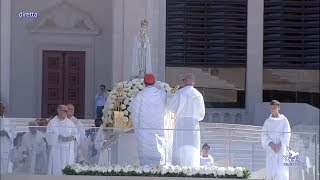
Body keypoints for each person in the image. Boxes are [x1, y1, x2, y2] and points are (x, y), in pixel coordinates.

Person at [128, 74, 172, 166]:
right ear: (154, 82)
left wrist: (138, 126)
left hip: (144, 131)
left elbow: (134, 112)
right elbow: (169, 105)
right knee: (158, 152)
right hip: (158, 128)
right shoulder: (162, 93)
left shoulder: (140, 95)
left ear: (144, 83)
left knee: (145, 156)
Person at [167, 73, 205, 167]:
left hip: (181, 122)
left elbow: (170, 106)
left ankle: (179, 166)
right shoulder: (198, 95)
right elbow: (201, 114)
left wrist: (168, 95)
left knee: (180, 143)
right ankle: (193, 166)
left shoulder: (180, 93)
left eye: (184, 80)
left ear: (186, 81)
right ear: (194, 82)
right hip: (193, 124)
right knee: (193, 145)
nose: (183, 82)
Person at [261, 100, 291, 180]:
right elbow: (264, 134)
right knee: (271, 170)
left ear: (278, 108)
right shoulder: (267, 121)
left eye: (274, 108)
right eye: (271, 108)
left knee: (281, 170)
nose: (272, 109)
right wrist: (271, 144)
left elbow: (287, 133)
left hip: (281, 149)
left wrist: (279, 145)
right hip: (271, 150)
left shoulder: (284, 120)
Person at [46, 105, 79, 175]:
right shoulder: (52, 122)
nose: (67, 113)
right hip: (57, 149)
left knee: (67, 168)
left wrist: (72, 137)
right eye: (66, 111)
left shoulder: (70, 122)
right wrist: (59, 137)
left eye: (68, 111)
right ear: (59, 111)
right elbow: (48, 135)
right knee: (57, 168)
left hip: (68, 149)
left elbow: (76, 133)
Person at [0, 102, 17, 174]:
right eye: (2, 108)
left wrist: (7, 133)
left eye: (3, 108)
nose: (3, 109)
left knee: (4, 164)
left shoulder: (8, 121)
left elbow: (14, 133)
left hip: (5, 146)